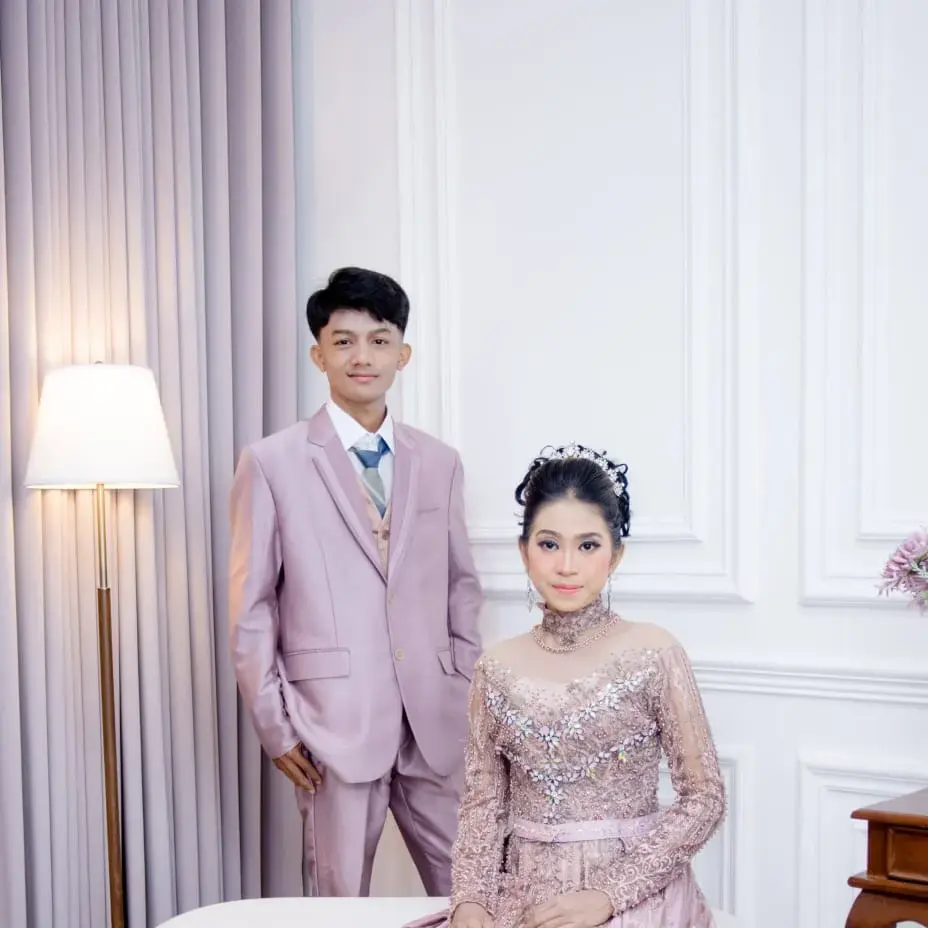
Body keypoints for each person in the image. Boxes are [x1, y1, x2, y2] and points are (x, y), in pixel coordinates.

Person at [229, 267, 483, 897]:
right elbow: (251, 606)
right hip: (330, 724)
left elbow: (461, 586)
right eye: (343, 341)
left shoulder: (441, 461)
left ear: (403, 353)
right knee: (339, 900)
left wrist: (463, 686)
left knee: (471, 891)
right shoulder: (272, 462)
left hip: (434, 720)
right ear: (319, 355)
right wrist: (275, 725)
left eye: (378, 339)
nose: (361, 356)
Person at [406, 443, 725, 928]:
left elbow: (704, 798)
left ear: (615, 556)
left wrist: (608, 894)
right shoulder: (496, 666)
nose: (567, 566)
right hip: (522, 893)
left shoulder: (654, 652)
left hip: (631, 896)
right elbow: (484, 803)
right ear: (524, 552)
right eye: (549, 544)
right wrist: (470, 899)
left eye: (588, 545)